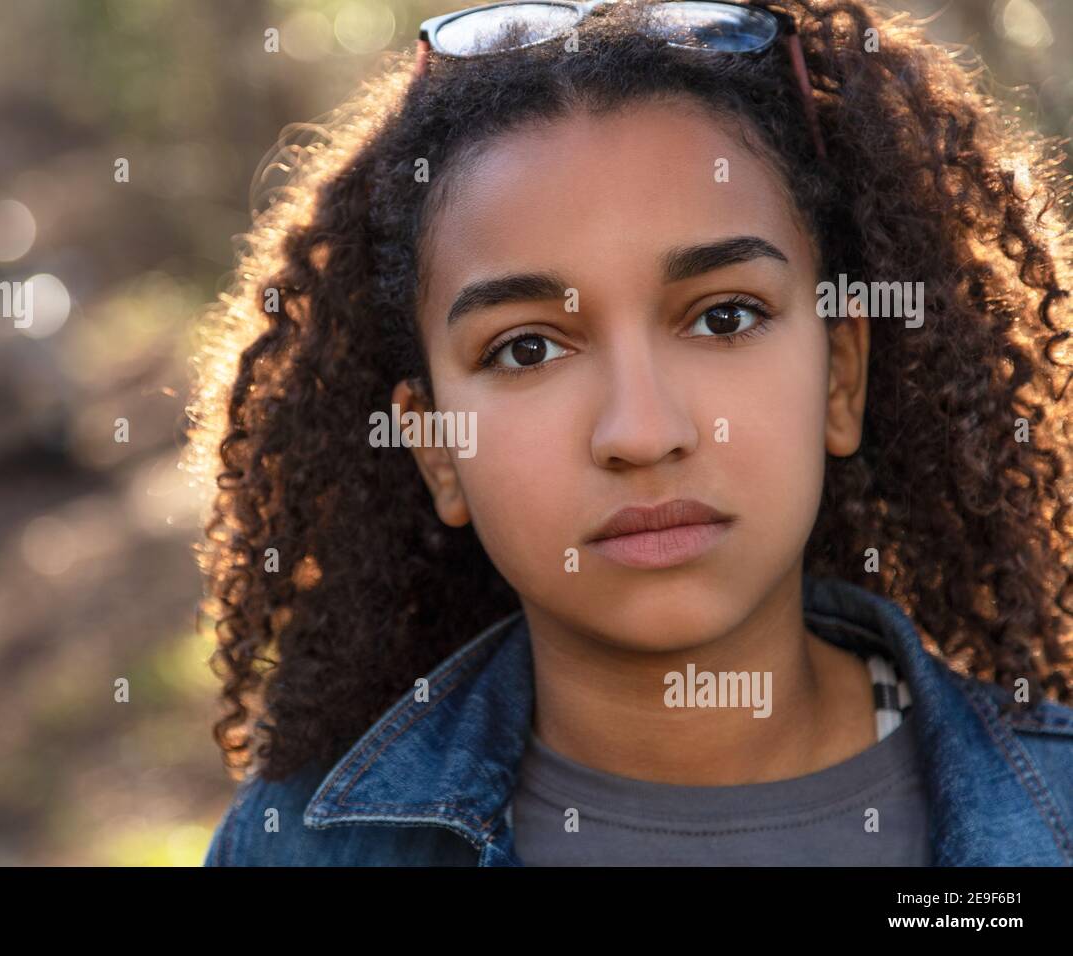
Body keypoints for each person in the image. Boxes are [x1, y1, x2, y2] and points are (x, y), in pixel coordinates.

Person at [189, 0, 1073, 866]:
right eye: (526, 348)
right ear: (435, 448)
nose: (642, 433)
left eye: (724, 318)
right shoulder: (298, 847)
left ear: (840, 376)